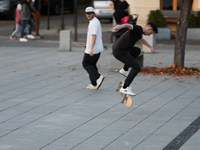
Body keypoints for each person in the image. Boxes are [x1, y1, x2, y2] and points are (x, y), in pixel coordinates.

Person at [112, 22, 158, 95]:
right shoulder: (138, 28)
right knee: (136, 67)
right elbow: (129, 25)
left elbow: (142, 40)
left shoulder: (139, 32)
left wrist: (150, 47)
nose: (149, 35)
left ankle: (125, 69)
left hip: (121, 49)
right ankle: (124, 88)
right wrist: (120, 26)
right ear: (149, 29)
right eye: (150, 33)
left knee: (137, 50)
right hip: (120, 52)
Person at [82, 7, 105, 90]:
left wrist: (90, 49)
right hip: (96, 48)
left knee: (86, 64)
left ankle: (98, 77)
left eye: (90, 13)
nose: (88, 15)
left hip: (93, 50)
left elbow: (94, 36)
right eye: (87, 14)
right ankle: (94, 84)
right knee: (92, 66)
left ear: (93, 14)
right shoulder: (93, 21)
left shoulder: (94, 23)